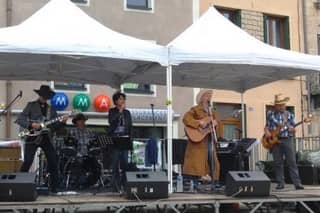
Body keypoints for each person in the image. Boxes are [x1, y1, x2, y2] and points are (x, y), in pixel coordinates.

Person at [16, 85, 68, 193]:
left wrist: (62, 122)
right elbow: (20, 119)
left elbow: (54, 127)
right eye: (43, 95)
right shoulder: (31, 105)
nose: (45, 97)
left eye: (47, 96)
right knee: (28, 161)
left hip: (46, 137)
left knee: (53, 161)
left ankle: (54, 188)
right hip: (32, 137)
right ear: (40, 95)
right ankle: (18, 185)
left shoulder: (52, 110)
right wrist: (31, 124)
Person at [183, 89, 220, 191]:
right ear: (201, 98)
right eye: (206, 95)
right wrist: (199, 123)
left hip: (209, 139)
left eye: (210, 96)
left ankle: (214, 183)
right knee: (196, 163)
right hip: (198, 141)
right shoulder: (195, 109)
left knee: (213, 161)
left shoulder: (213, 112)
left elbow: (215, 128)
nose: (208, 98)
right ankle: (194, 184)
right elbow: (186, 119)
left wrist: (215, 125)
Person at [264, 94, 304, 190]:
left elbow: (293, 128)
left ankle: (297, 183)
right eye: (279, 105)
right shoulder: (270, 114)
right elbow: (266, 126)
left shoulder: (289, 114)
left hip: (287, 140)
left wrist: (292, 130)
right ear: (275, 106)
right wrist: (267, 132)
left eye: (283, 104)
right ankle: (280, 183)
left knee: (292, 162)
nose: (282, 106)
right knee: (278, 163)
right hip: (275, 141)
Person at [108, 91, 132, 192]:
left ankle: (125, 185)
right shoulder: (112, 111)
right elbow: (111, 121)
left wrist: (131, 138)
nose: (122, 101)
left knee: (125, 163)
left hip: (125, 138)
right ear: (116, 101)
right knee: (115, 163)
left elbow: (130, 125)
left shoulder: (127, 112)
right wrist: (119, 112)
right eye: (120, 99)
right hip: (115, 138)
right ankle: (115, 186)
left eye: (123, 99)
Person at [69, 113, 101, 188]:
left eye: (83, 120)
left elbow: (93, 142)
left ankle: (92, 182)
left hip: (88, 153)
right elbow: (71, 143)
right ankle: (78, 182)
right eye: (80, 120)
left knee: (96, 165)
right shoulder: (73, 131)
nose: (82, 122)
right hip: (78, 153)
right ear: (76, 122)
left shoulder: (89, 131)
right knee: (78, 164)